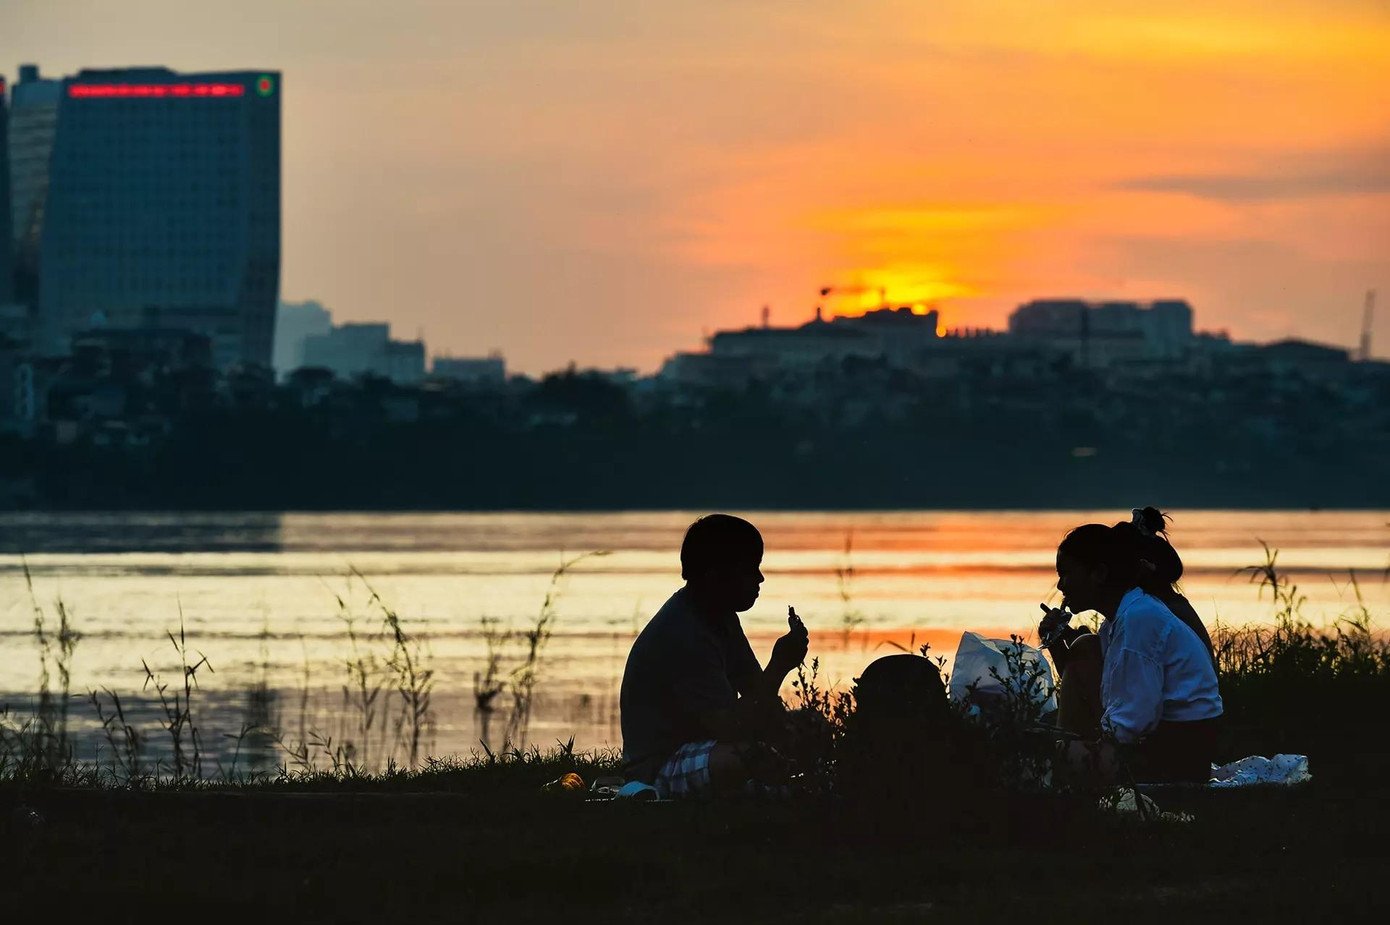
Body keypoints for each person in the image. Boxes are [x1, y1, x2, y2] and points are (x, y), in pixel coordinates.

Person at [620, 514, 809, 797]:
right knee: (748, 756)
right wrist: (780, 665)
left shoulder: (721, 617)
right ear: (715, 575)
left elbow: (756, 691)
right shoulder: (685, 633)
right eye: (750, 569)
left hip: (709, 743)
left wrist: (785, 729)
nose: (760, 578)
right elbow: (731, 728)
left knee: (809, 726)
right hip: (661, 765)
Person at [1040, 507, 1222, 784]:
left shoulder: (1139, 620)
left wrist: (1090, 747)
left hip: (1176, 760)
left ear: (1098, 574)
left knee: (1050, 758)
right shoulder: (1119, 621)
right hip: (1166, 746)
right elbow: (1101, 690)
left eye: (1066, 574)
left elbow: (1135, 717)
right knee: (1085, 646)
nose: (1061, 585)